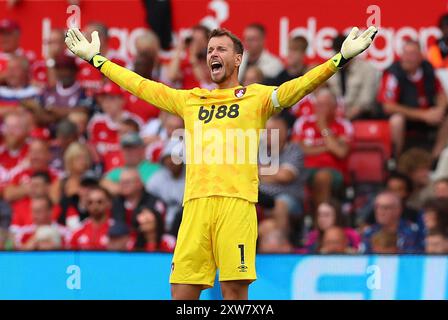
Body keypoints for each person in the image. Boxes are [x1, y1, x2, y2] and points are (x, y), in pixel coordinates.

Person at [66, 24, 377, 299]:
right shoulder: (190, 99)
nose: (212, 53)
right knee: (181, 292)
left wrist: (340, 59)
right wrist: (97, 60)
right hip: (196, 206)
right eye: (210, 49)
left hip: (236, 204)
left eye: (221, 49)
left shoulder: (256, 97)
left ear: (238, 58)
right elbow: (141, 86)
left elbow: (299, 86)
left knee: (233, 292)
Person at [377, 40, 448, 158]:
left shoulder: (428, 69)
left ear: (420, 57)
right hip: (407, 119)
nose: (407, 58)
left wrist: (440, 110)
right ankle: (395, 161)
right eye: (405, 53)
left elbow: (441, 94)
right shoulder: (393, 73)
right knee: (397, 120)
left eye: (412, 54)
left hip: (428, 119)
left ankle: (435, 160)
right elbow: (388, 106)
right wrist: (423, 115)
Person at [292, 88, 353, 208]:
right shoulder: (302, 123)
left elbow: (341, 152)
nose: (321, 108)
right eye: (318, 104)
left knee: (322, 176)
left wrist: (324, 128)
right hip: (305, 169)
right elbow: (297, 150)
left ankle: (321, 218)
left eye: (325, 105)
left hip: (334, 171)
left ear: (334, 107)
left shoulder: (344, 125)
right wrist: (328, 146)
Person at [259, 115, 304, 234]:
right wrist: (275, 173)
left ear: (285, 133)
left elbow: (285, 176)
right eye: (265, 131)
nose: (266, 135)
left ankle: (281, 244)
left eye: (271, 131)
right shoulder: (259, 150)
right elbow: (247, 174)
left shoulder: (293, 149)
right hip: (260, 197)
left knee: (281, 203)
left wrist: (261, 174)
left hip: (288, 199)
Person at [327, 34, 379, 119]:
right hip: (335, 117)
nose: (342, 58)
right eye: (338, 54)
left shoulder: (367, 69)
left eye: (344, 54)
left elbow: (366, 101)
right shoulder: (330, 69)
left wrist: (348, 115)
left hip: (361, 116)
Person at [146, 139, 185, 233]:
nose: (171, 162)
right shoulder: (157, 178)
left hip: (183, 221)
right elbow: (148, 200)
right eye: (168, 158)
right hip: (160, 223)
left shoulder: (192, 177)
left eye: (175, 158)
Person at [68, 185, 114, 250]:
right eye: (90, 202)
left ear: (109, 203)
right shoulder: (78, 231)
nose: (95, 206)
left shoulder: (117, 230)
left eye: (99, 202)